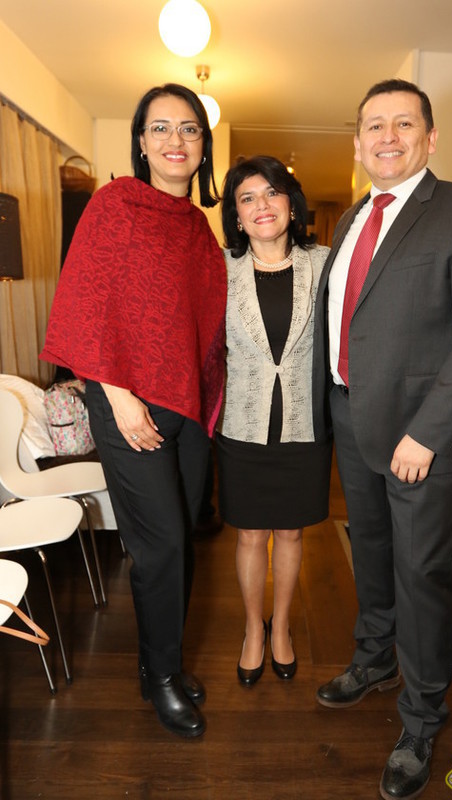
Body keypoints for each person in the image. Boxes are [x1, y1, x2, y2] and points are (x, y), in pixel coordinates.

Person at [312, 79, 452, 799]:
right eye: (374, 125)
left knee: (420, 575)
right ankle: (374, 658)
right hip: (349, 416)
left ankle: (422, 718)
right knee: (369, 552)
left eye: (404, 123)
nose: (387, 136)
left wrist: (426, 434)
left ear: (430, 138)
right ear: (357, 142)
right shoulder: (352, 218)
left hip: (419, 436)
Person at [40, 83, 227, 739]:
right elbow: (84, 302)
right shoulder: (113, 204)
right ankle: (163, 680)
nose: (176, 140)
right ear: (141, 142)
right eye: (161, 128)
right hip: (127, 404)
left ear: (203, 146)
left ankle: (159, 665)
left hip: (185, 406)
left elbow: (200, 322)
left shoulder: (198, 227)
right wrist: (118, 397)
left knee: (185, 539)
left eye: (189, 129)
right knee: (160, 545)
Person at [217, 156, 332, 686]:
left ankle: (280, 626)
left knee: (289, 533)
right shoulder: (220, 269)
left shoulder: (325, 264)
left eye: (272, 193)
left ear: (291, 204)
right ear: (237, 217)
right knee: (249, 535)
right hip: (241, 425)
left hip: (305, 423)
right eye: (247, 198)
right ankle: (252, 630)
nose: (261, 205)